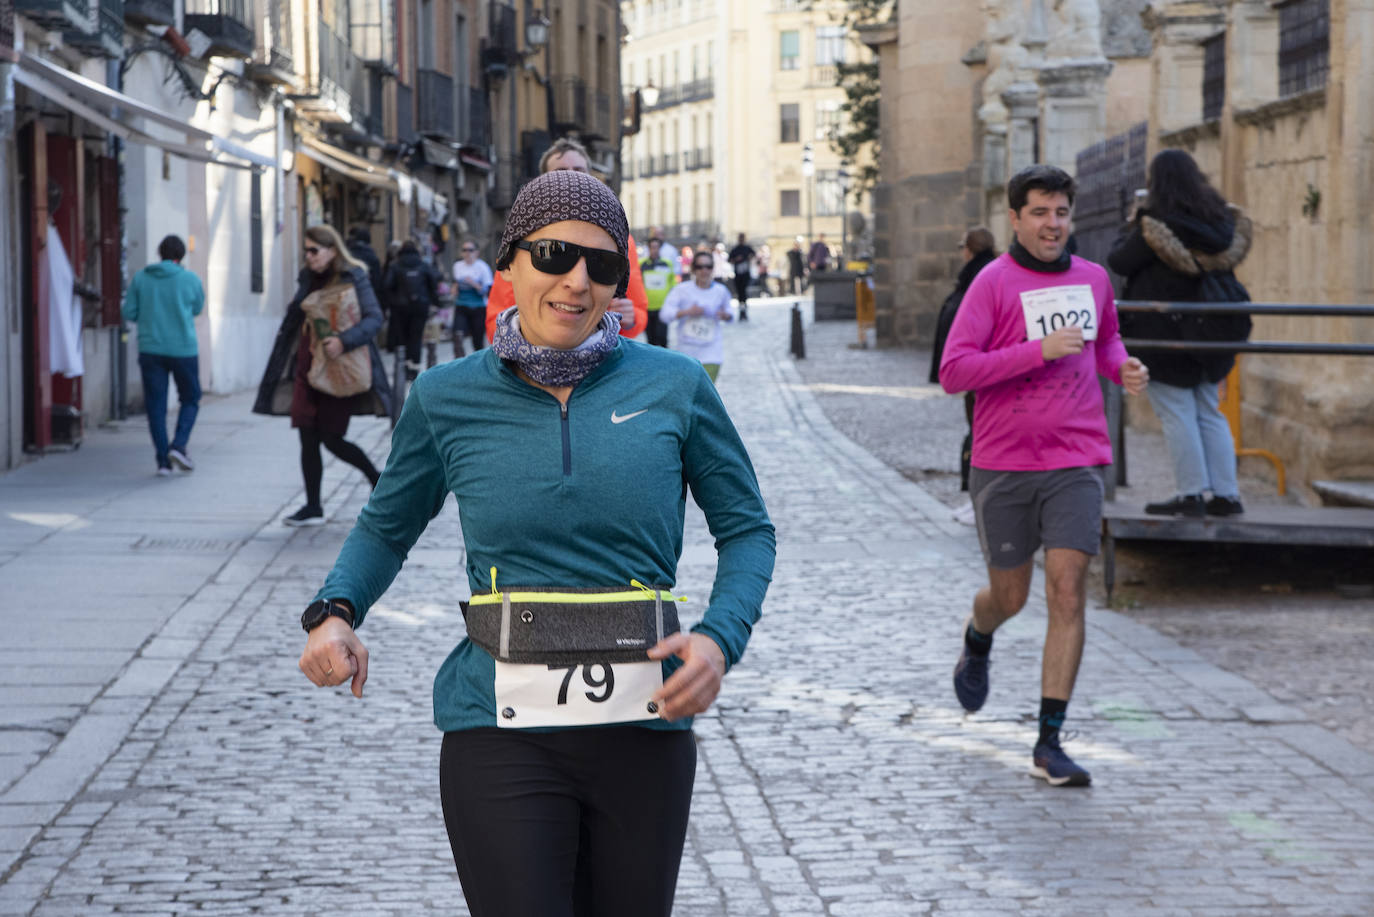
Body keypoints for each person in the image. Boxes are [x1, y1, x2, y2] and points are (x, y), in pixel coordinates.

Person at [296, 169, 775, 916]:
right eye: (554, 254)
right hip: (499, 729)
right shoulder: (446, 396)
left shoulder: (676, 384)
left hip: (643, 733)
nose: (577, 282)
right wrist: (335, 609)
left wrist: (720, 638)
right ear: (509, 261)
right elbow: (388, 524)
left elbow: (747, 528)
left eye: (603, 265)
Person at [939, 165, 1149, 787]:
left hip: (1077, 460)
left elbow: (1106, 342)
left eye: (1060, 212)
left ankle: (1049, 742)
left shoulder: (1094, 279)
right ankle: (979, 637)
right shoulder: (992, 283)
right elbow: (955, 371)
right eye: (1039, 212)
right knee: (1011, 596)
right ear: (1016, 218)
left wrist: (1123, 368)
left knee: (1066, 590)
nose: (1052, 224)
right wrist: (1038, 351)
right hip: (1003, 465)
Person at [1108, 149, 1252, 518]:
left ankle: (1189, 495)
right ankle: (1226, 495)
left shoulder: (1157, 222)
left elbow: (1120, 261)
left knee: (1177, 414)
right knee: (1209, 410)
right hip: (1211, 334)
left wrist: (1132, 224)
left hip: (1166, 334)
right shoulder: (1218, 221)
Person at [252, 224, 392, 526]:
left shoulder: (353, 275)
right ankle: (313, 506)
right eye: (306, 250)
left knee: (331, 437)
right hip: (308, 365)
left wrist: (344, 340)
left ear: (331, 250)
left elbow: (374, 318)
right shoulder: (307, 277)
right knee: (306, 436)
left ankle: (377, 479)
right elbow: (297, 315)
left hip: (338, 367)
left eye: (314, 250)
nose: (309, 256)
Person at [485, 137, 647, 341]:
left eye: (578, 171)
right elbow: (495, 319)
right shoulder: (523, 236)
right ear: (544, 179)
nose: (571, 178)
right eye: (560, 171)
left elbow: (638, 311)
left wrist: (629, 320)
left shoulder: (621, 241)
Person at [120, 234, 205, 475]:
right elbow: (197, 308)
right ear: (181, 256)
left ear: (160, 253)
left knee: (156, 406)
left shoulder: (141, 278)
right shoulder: (190, 279)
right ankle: (178, 445)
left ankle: (162, 462)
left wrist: (149, 316)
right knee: (190, 398)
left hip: (151, 348)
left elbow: (129, 311)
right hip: (183, 349)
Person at [929, 227, 999, 494]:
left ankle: (977, 490)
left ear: (969, 250)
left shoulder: (978, 276)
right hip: (978, 367)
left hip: (981, 370)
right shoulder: (983, 273)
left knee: (980, 428)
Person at [659, 249, 734, 383]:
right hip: (687, 354)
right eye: (699, 267)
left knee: (704, 397)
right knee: (688, 396)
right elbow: (665, 315)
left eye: (708, 266)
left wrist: (725, 315)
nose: (704, 270)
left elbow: (731, 313)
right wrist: (687, 312)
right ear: (693, 269)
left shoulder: (721, 291)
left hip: (712, 353)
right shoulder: (681, 290)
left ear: (712, 269)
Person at [384, 240, 440, 377]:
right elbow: (434, 283)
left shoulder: (395, 265)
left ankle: (403, 367)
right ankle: (414, 368)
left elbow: (386, 285)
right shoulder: (423, 265)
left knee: (402, 337)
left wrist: (392, 301)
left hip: (400, 308)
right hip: (420, 306)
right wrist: (434, 301)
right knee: (416, 337)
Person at [451, 239, 494, 355]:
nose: (467, 253)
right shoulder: (457, 266)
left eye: (470, 250)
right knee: (457, 335)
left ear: (476, 252)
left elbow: (487, 291)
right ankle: (459, 362)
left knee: (477, 341)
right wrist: (454, 288)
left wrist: (474, 284)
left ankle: (477, 366)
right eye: (464, 250)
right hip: (461, 306)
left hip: (478, 307)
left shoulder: (483, 267)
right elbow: (455, 283)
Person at [641, 235, 677, 347]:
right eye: (652, 247)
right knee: (650, 339)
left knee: (662, 337)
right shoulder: (641, 264)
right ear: (648, 248)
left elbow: (672, 282)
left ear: (660, 248)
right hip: (647, 306)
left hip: (662, 306)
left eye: (656, 247)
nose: (654, 250)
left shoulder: (667, 263)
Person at [347, 226, 384, 305]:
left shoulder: (349, 253)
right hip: (368, 293)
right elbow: (377, 280)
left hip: (349, 294)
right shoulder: (372, 256)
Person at [727, 232, 756, 321]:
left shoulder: (747, 248)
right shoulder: (735, 249)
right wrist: (736, 260)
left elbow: (753, 254)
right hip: (738, 274)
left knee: (744, 293)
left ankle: (744, 311)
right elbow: (730, 259)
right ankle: (741, 312)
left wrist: (748, 258)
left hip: (745, 274)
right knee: (740, 293)